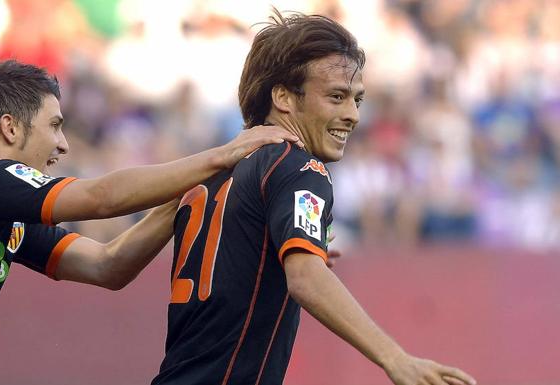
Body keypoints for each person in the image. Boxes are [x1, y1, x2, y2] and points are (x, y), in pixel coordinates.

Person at [152, 11, 476, 385]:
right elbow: (305, 279)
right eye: (336, 97)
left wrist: (291, 246)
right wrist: (395, 359)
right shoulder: (299, 167)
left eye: (357, 99)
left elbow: (112, 267)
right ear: (284, 97)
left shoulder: (208, 173)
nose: (353, 115)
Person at [0, 59, 301, 369]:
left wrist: (190, 187)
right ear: (10, 127)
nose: (63, 144)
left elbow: (108, 265)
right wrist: (220, 155)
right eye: (54, 125)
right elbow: (101, 197)